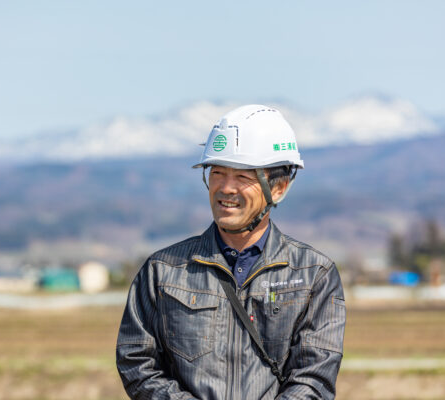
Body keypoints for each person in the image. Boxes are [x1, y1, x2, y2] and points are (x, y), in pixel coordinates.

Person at [116, 105, 346, 399]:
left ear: (278, 188)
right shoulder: (162, 271)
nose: (225, 188)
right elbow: (137, 362)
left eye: (242, 177)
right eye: (217, 173)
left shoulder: (313, 274)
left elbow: (314, 378)